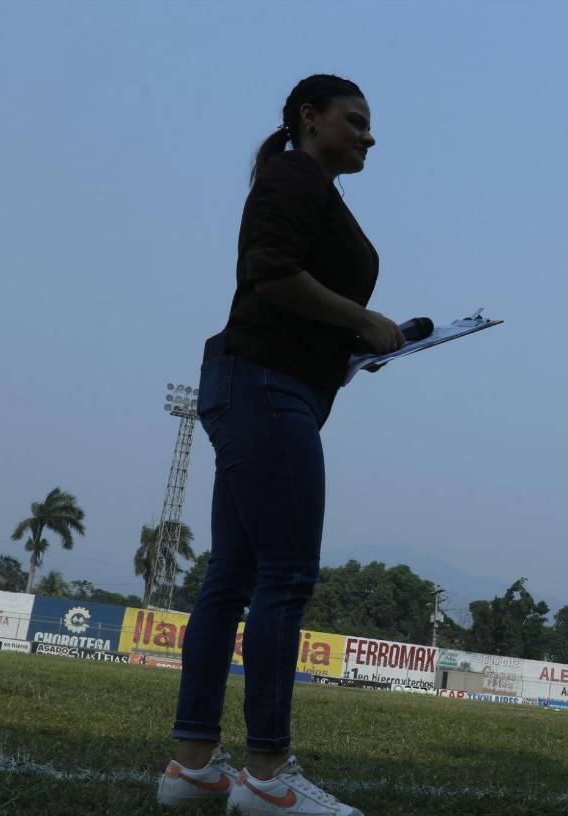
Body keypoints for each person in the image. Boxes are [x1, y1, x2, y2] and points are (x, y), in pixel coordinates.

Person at [155, 74, 403, 816]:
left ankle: (194, 768)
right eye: (354, 121)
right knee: (283, 578)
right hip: (266, 389)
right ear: (310, 117)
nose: (368, 135)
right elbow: (269, 274)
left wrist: (353, 343)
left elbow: (292, 293)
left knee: (231, 578)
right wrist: (360, 320)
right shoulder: (294, 176)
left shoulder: (306, 184)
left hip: (257, 383)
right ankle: (268, 780)